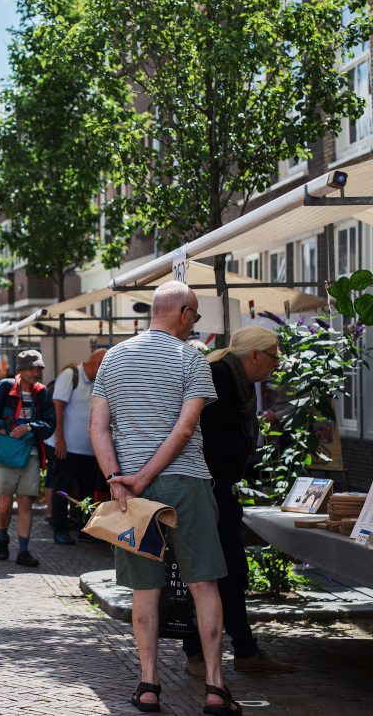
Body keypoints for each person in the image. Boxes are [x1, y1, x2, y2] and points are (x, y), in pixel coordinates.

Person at [89, 280, 239, 715]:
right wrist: (146, 475)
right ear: (186, 313)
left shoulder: (113, 357)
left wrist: (119, 478)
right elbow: (186, 430)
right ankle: (214, 687)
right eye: (195, 316)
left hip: (129, 495)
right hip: (185, 481)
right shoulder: (191, 356)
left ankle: (149, 684)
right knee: (204, 583)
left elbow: (98, 428)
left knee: (144, 589)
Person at [183, 326, 294, 677]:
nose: (277, 363)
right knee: (215, 571)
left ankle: (238, 650)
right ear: (255, 355)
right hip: (207, 490)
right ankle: (201, 653)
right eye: (274, 355)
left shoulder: (237, 379)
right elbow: (203, 433)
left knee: (229, 571)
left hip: (221, 488)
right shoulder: (218, 375)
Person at [0, 350, 55, 568]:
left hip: (30, 455)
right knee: (3, 503)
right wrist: (1, 427)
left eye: (38, 368)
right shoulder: (5, 386)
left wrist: (29, 426)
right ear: (21, 370)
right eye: (32, 368)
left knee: (25, 502)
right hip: (5, 454)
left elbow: (50, 423)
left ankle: (23, 550)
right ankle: (2, 536)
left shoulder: (42, 393)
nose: (36, 373)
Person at [47, 349, 107, 545]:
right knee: (61, 488)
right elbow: (58, 407)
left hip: (88, 449)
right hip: (67, 447)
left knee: (87, 491)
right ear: (96, 364)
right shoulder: (70, 375)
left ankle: (85, 528)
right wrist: (60, 440)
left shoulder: (99, 382)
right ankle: (60, 529)